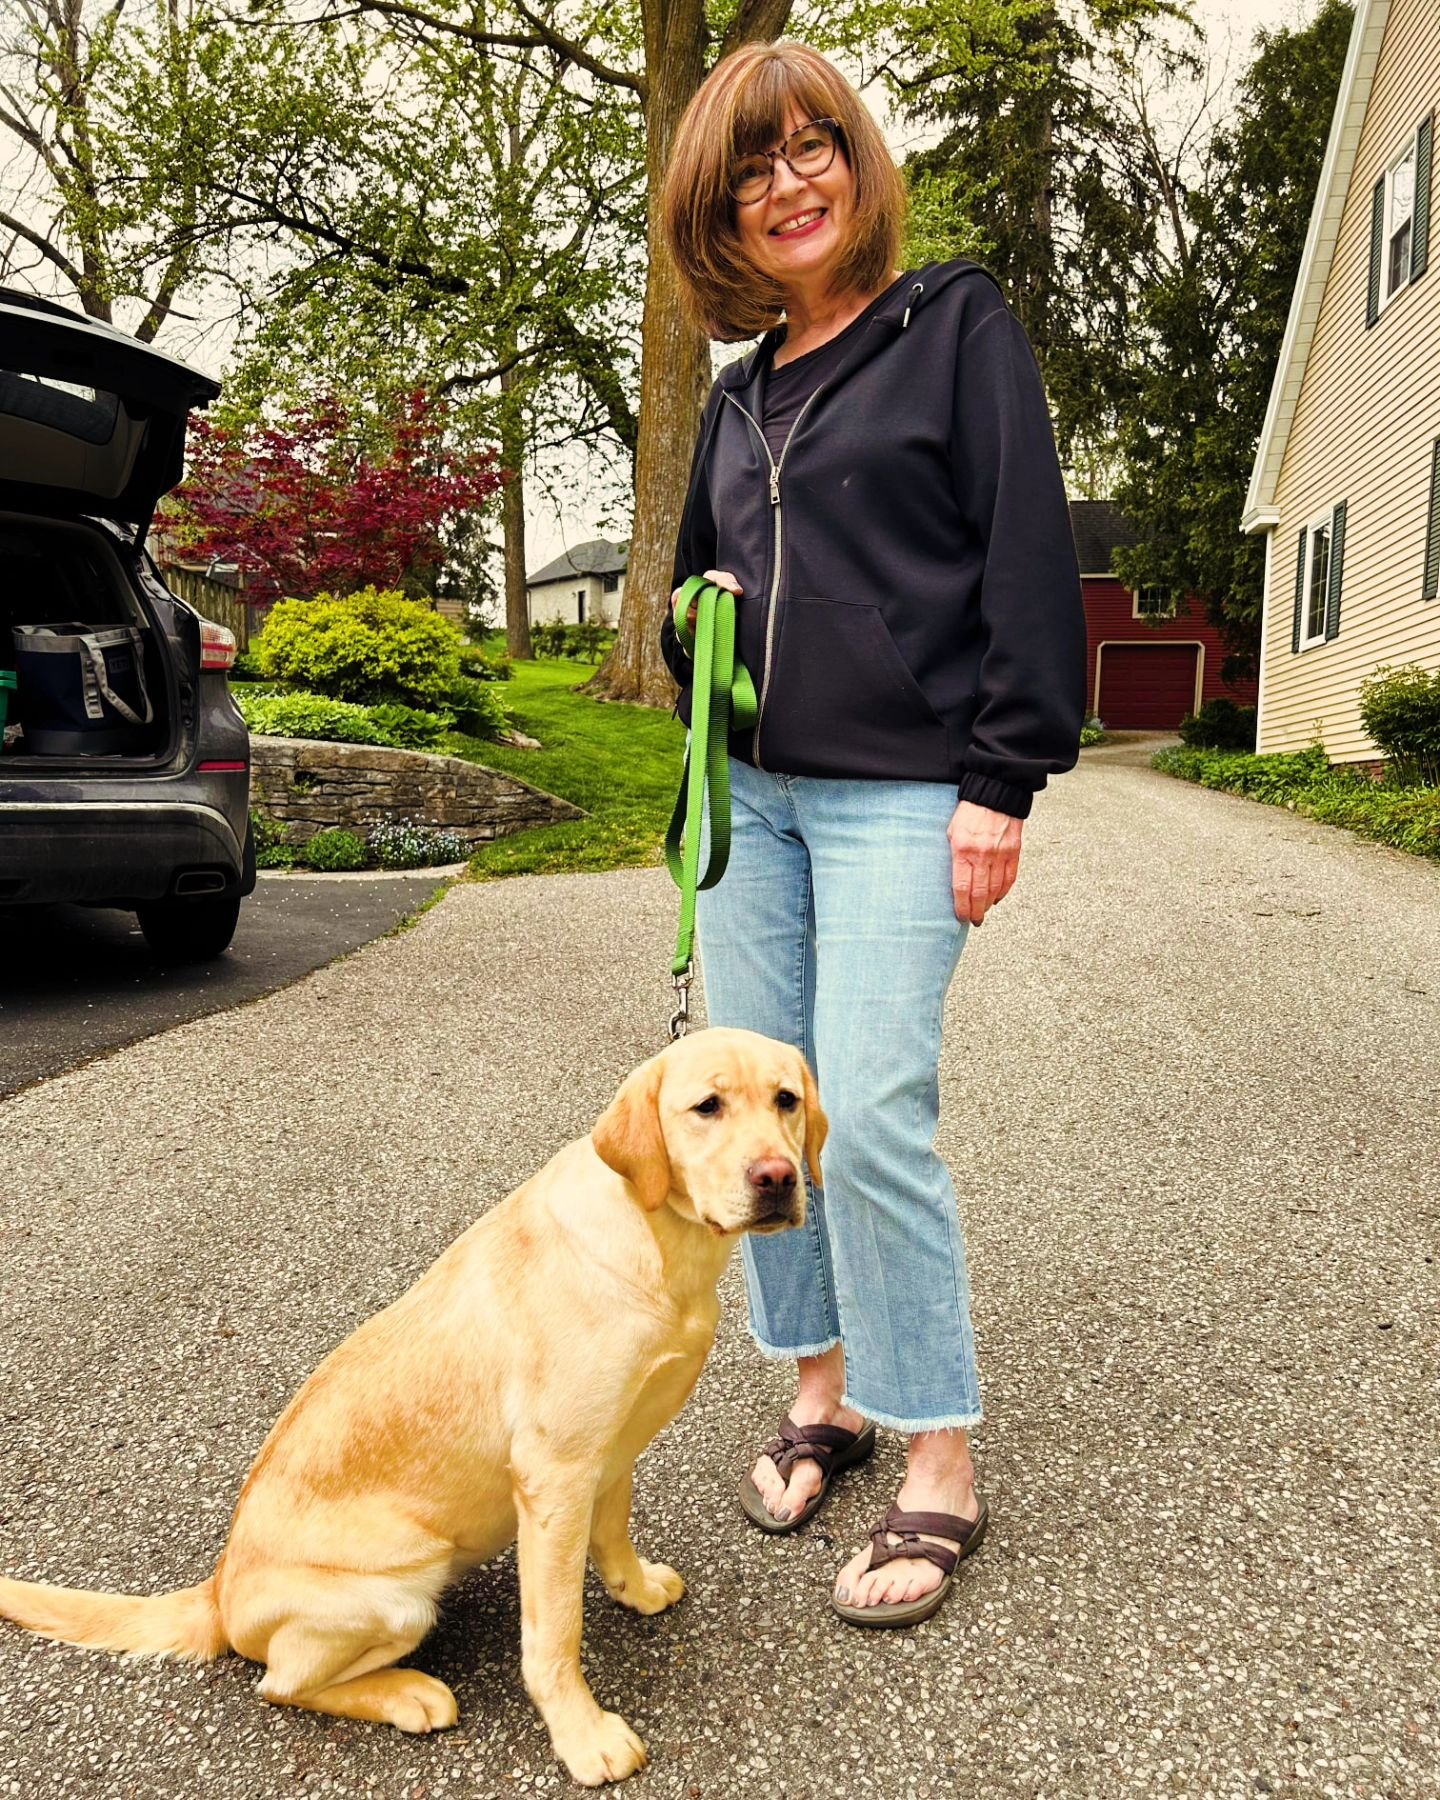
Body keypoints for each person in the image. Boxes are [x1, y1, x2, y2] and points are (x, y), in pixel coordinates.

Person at [658, 40, 1086, 1627]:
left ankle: (938, 1459)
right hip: (751, 803)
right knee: (755, 1123)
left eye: (814, 146)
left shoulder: (953, 326)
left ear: (858, 159)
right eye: (752, 168)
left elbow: (1026, 556)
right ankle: (821, 1393)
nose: (791, 185)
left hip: (906, 790)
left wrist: (1004, 777)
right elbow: (701, 586)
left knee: (876, 1116)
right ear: (723, 212)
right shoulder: (731, 396)